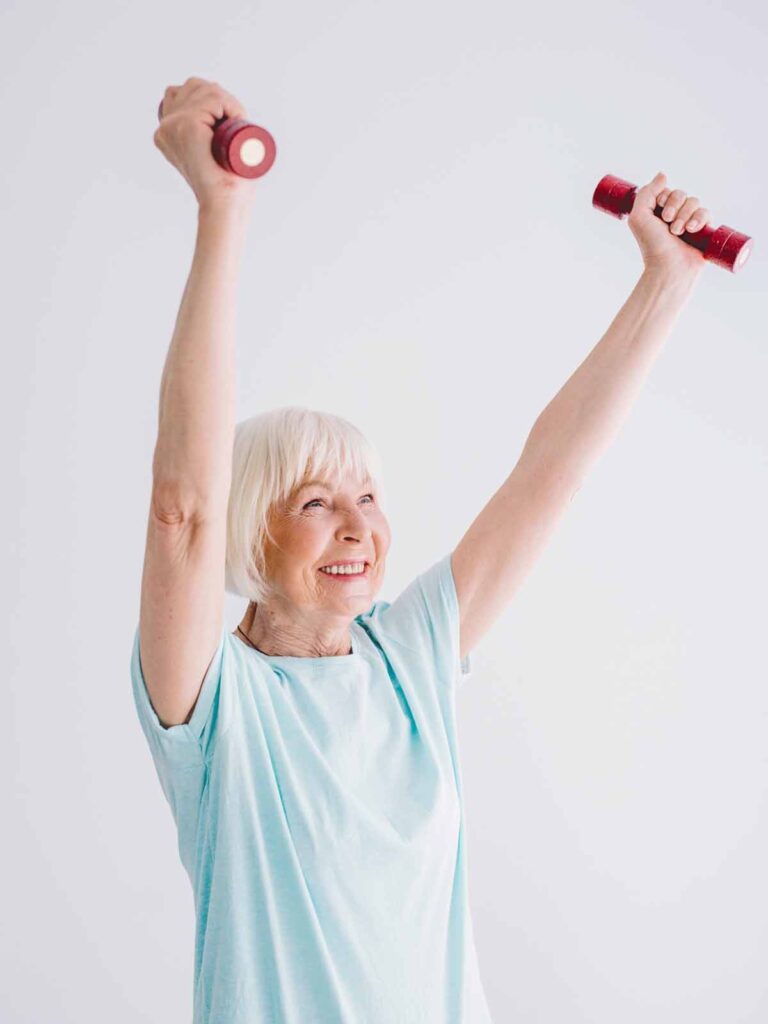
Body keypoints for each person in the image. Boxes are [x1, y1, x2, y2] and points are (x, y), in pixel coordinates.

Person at [132, 77, 710, 1024]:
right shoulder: (216, 706)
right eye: (315, 501)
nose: (358, 526)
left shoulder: (410, 662)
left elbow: (549, 475)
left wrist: (666, 283)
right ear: (251, 530)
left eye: (367, 496)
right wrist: (221, 210)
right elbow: (181, 510)